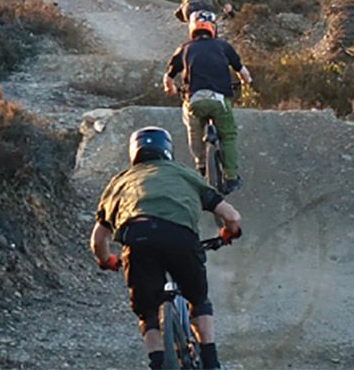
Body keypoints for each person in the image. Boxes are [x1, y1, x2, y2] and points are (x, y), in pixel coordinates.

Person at [91, 127, 242, 370]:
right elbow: (232, 216)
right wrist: (228, 233)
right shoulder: (182, 173)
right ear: (167, 150)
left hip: (137, 241)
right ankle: (212, 362)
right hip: (180, 238)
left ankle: (158, 362)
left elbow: (98, 241)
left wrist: (107, 260)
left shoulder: (120, 182)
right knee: (199, 300)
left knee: (147, 311)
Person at [164, 11, 253, 194]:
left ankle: (201, 166)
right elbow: (243, 72)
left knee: (193, 129)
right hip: (219, 101)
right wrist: (247, 82)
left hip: (194, 100)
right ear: (213, 28)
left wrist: (171, 90)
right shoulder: (223, 46)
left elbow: (168, 77)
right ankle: (231, 178)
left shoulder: (184, 48)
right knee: (228, 135)